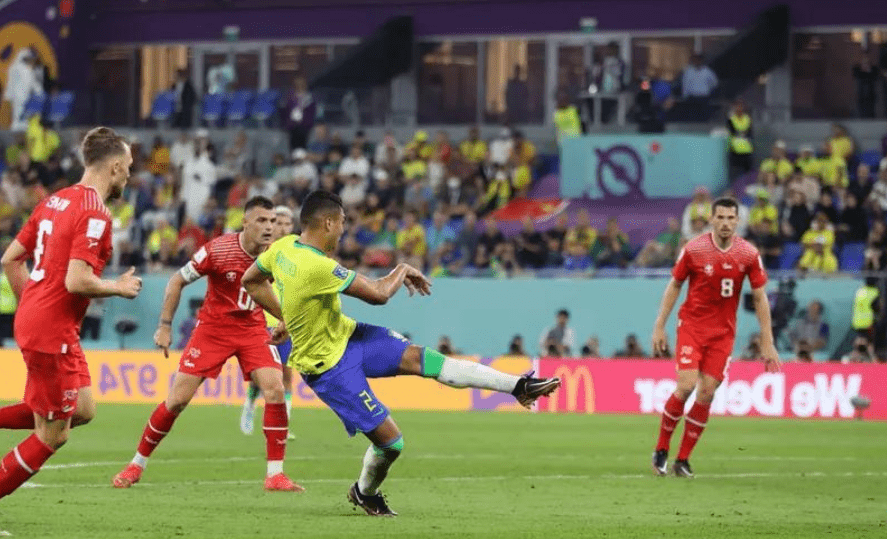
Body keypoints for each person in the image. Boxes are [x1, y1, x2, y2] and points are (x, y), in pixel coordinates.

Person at [241, 191, 561, 516]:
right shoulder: (318, 266)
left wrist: (284, 317)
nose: (342, 230)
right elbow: (379, 294)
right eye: (341, 223)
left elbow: (251, 280)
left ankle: (518, 386)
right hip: (329, 369)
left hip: (350, 337)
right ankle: (365, 492)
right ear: (327, 222)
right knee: (392, 444)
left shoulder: (283, 248)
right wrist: (402, 269)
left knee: (428, 360)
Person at [0, 127, 142, 525]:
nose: (129, 176)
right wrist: (118, 287)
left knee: (82, 408)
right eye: (128, 168)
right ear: (115, 167)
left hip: (47, 323)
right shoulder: (95, 212)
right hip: (51, 330)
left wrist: (33, 303)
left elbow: (11, 259)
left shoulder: (54, 200)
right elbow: (76, 281)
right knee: (54, 434)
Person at [111, 197, 302, 493]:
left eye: (273, 222)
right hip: (213, 329)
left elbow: (286, 293)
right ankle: (136, 464)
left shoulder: (278, 256)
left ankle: (275, 474)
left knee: (275, 387)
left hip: (252, 328)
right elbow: (176, 280)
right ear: (246, 223)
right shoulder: (218, 249)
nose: (269, 227)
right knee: (177, 400)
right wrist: (164, 326)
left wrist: (286, 320)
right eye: (262, 221)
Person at [650, 197, 781, 478]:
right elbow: (675, 285)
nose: (725, 223)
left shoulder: (748, 254)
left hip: (723, 334)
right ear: (711, 219)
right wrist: (660, 325)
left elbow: (760, 297)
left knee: (707, 392)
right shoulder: (694, 249)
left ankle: (682, 460)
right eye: (720, 217)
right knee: (685, 385)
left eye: (730, 218)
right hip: (692, 327)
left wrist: (767, 340)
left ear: (738, 221)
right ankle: (661, 448)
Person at [241, 205, 297, 438]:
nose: (282, 228)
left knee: (287, 375)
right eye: (278, 223)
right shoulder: (263, 251)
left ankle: (284, 425)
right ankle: (249, 407)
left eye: (287, 223)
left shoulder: (297, 249)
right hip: (262, 319)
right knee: (262, 376)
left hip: (288, 319)